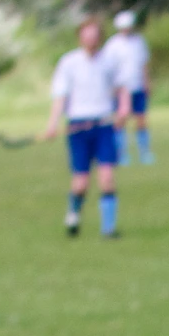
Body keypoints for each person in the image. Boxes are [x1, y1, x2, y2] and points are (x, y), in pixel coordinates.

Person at [44, 18, 129, 239]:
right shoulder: (69, 62)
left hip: (103, 126)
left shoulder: (110, 61)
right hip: (78, 128)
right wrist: (52, 124)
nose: (91, 39)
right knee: (81, 182)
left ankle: (108, 229)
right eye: (86, 35)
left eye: (94, 35)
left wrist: (123, 109)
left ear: (100, 37)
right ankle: (73, 214)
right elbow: (60, 96)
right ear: (80, 37)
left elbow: (122, 88)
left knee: (107, 177)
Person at [102, 10, 153, 165]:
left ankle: (144, 152)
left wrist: (147, 82)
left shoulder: (139, 41)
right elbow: (107, 68)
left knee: (141, 119)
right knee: (120, 120)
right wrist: (111, 88)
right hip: (121, 88)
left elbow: (143, 64)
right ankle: (121, 153)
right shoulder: (112, 45)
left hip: (137, 85)